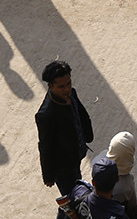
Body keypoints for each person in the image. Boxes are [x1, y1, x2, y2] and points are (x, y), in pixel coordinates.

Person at [37, 60, 95, 194]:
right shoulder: (46, 115)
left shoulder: (71, 94)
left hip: (75, 155)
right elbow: (45, 146)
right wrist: (48, 175)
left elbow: (80, 114)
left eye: (68, 83)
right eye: (61, 86)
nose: (67, 89)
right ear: (50, 86)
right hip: (64, 167)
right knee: (73, 200)